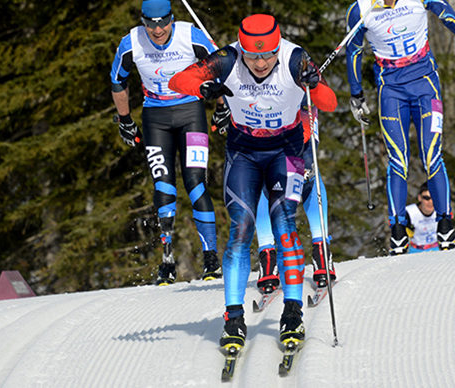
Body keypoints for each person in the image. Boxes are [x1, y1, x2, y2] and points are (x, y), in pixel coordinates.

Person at [169, 14, 337, 351]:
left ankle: (292, 313)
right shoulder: (227, 59)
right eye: (253, 56)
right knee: (241, 228)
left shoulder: (294, 58)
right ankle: (233, 318)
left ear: (278, 47)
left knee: (284, 225)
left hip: (286, 150)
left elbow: (329, 103)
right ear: (242, 49)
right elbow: (177, 82)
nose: (260, 63)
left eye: (267, 55)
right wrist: (203, 86)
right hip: (243, 151)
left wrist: (314, 83)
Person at [344, 0, 455, 255]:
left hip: (425, 85)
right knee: (398, 160)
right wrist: (357, 96)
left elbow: (445, 12)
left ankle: (445, 225)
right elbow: (353, 51)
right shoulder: (361, 8)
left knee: (432, 155)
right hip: (391, 92)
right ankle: (397, 231)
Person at [110, 0, 222, 285]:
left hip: (191, 113)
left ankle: (211, 259)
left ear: (172, 18)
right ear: (143, 21)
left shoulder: (190, 35)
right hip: (155, 118)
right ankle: (167, 260)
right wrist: (125, 120)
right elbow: (118, 83)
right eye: (151, 23)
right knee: (163, 186)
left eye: (163, 22)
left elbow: (221, 67)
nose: (157, 29)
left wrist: (223, 107)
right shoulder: (131, 42)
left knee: (196, 182)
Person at [255, 100, 336, 294]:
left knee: (308, 173)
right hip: (260, 116)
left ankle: (321, 250)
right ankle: (267, 255)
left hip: (299, 117)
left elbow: (322, 99)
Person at [405, 182, 439, 253]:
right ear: (419, 198)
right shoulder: (410, 212)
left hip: (436, 249)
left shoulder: (440, 211)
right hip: (415, 250)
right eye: (427, 198)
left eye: (433, 198)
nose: (430, 202)